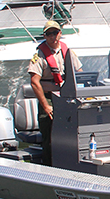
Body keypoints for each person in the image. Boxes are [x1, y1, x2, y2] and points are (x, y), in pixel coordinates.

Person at [29, 19, 81, 166]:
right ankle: (49, 167)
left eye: (55, 33)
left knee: (69, 134)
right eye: (49, 34)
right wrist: (45, 105)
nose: (53, 36)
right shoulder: (39, 55)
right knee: (50, 137)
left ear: (60, 34)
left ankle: (69, 164)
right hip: (49, 98)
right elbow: (34, 81)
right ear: (45, 36)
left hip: (67, 96)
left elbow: (80, 73)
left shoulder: (68, 52)